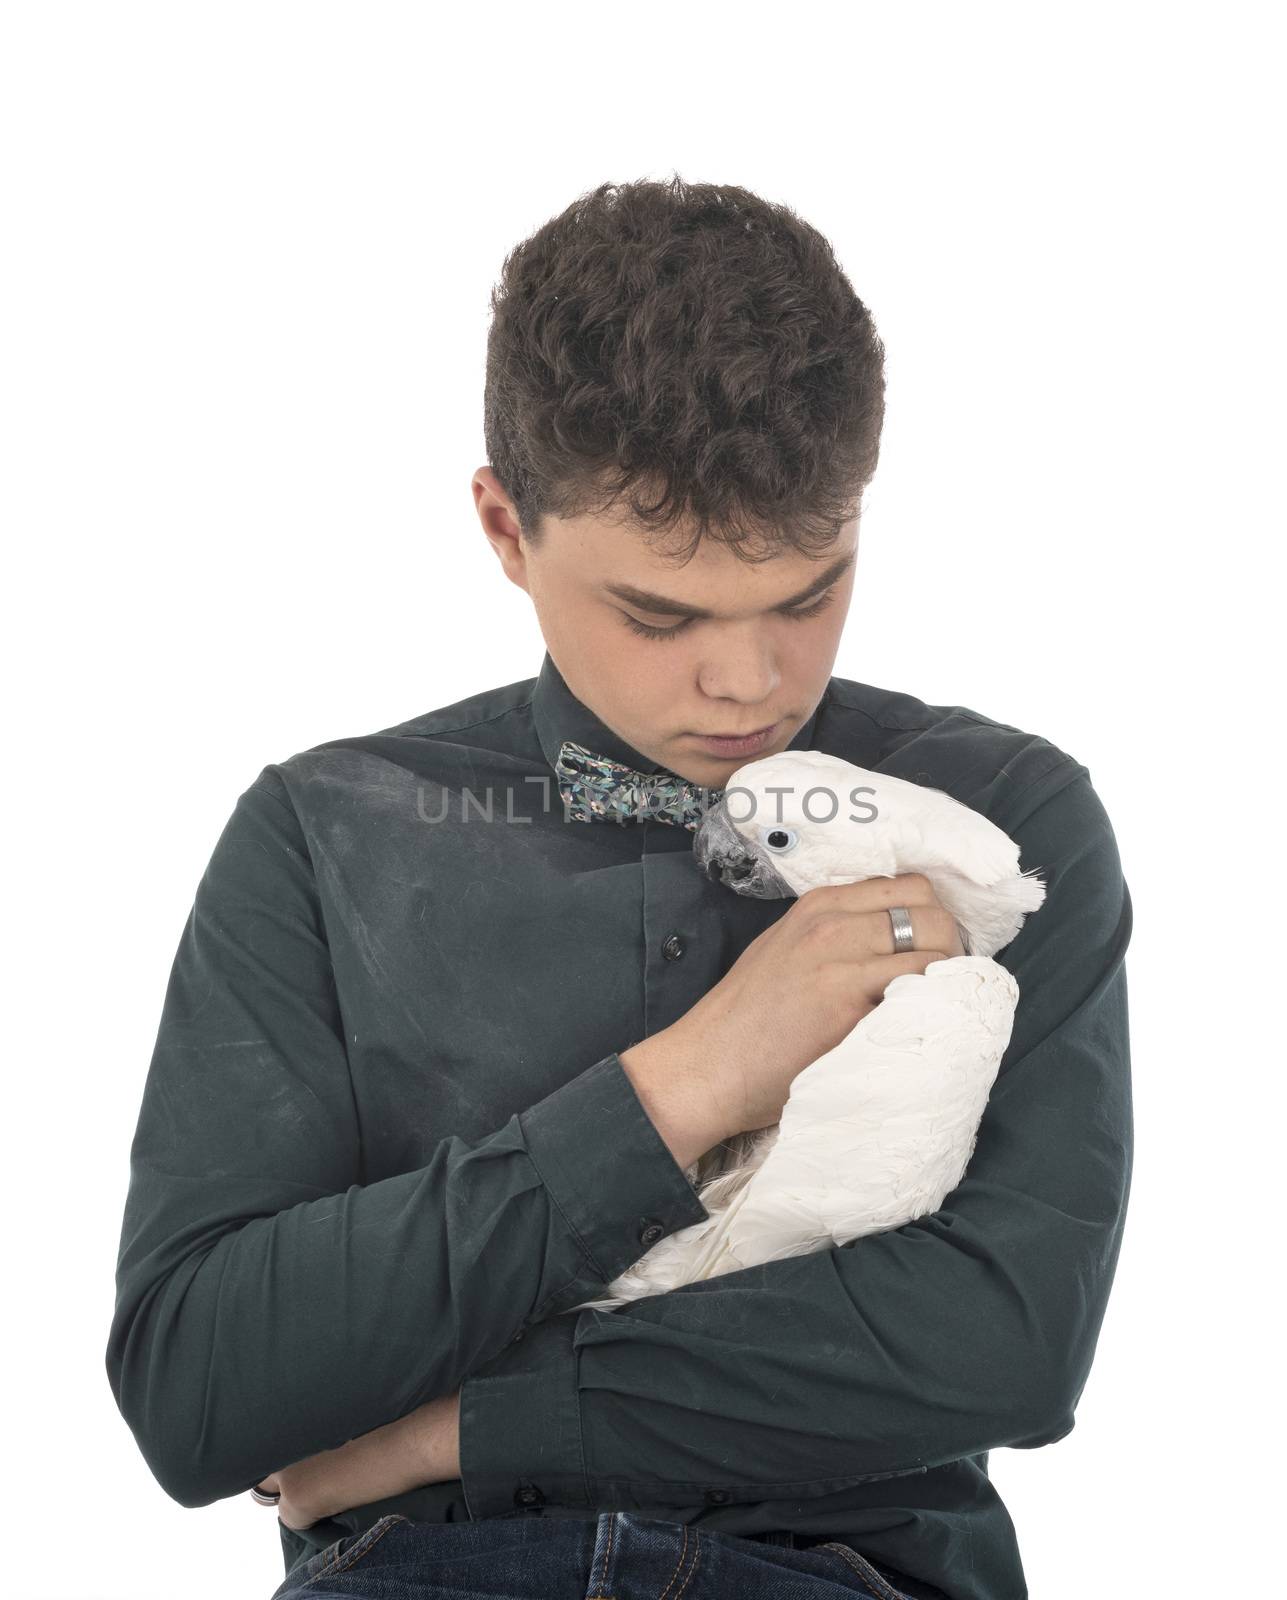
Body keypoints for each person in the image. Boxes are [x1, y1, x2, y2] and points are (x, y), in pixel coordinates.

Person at [105, 176, 1133, 1600]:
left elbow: (1010, 1337)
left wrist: (457, 1428)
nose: (751, 682)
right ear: (505, 530)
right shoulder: (321, 834)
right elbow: (198, 1386)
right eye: (661, 613)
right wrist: (696, 1080)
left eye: (809, 591)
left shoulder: (1006, 822)